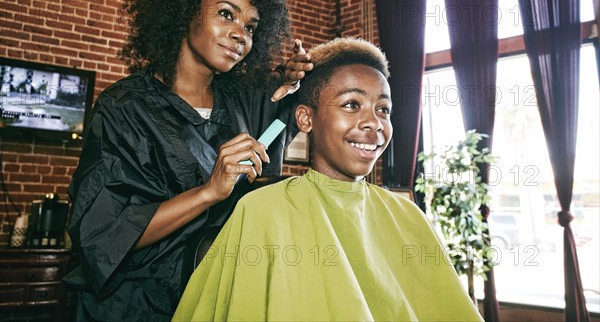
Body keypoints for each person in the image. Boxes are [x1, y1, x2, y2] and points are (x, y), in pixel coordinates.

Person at [65, 0, 312, 321]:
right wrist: (209, 192)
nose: (239, 35)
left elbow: (276, 128)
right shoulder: (124, 108)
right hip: (135, 305)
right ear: (185, 13)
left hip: (216, 297)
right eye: (225, 14)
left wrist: (289, 84)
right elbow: (102, 236)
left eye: (250, 27)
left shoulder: (241, 104)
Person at [173, 37, 484, 322]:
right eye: (352, 104)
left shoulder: (408, 216)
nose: (373, 123)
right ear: (306, 118)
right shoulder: (261, 211)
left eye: (383, 109)